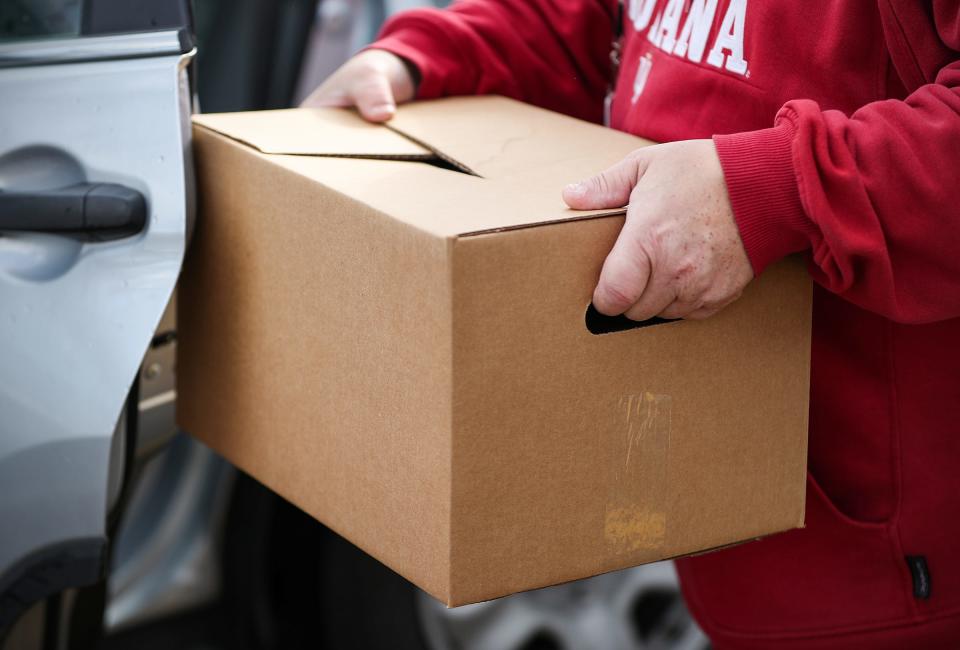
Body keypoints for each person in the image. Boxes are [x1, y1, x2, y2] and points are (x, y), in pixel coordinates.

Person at [302, 1, 960, 647]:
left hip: (887, 566)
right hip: (740, 520)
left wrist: (770, 190)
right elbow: (585, 21)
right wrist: (422, 57)